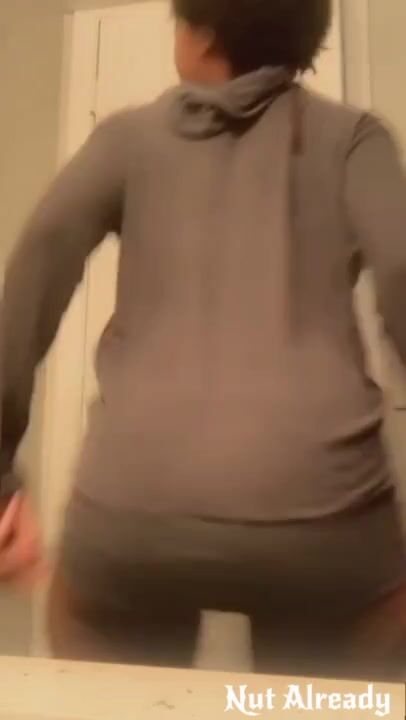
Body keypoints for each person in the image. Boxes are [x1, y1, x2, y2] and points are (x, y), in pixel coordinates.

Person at [1, 0, 406, 678]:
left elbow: (32, 276)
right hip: (325, 516)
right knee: (327, 703)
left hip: (135, 513)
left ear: (203, 36)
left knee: (111, 697)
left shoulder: (126, 140)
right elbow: (402, 273)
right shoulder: (356, 140)